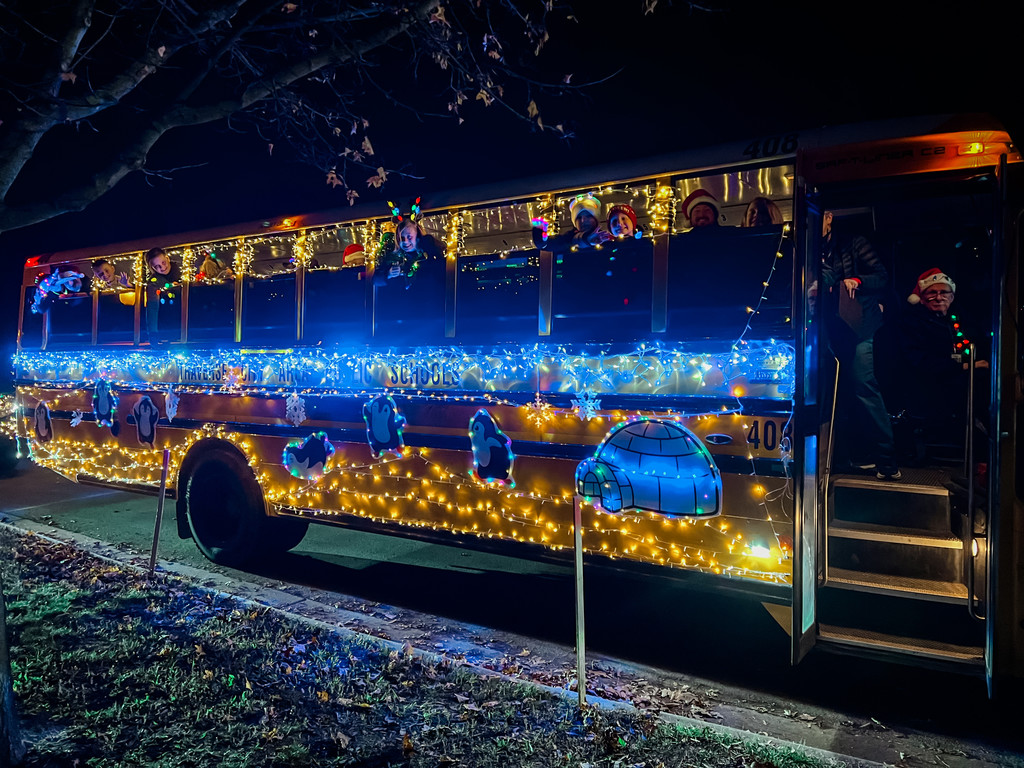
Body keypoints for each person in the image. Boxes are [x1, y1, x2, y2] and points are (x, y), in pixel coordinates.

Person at [821, 210, 899, 480]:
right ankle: (842, 459)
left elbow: (881, 276)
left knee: (864, 387)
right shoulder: (810, 248)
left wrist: (858, 280)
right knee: (831, 394)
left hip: (858, 327)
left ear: (829, 217)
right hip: (826, 330)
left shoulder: (854, 242)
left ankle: (887, 460)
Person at [900, 268, 988, 461]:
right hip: (930, 387)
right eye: (932, 292)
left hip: (962, 380)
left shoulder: (961, 318)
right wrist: (964, 367)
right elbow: (918, 362)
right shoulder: (912, 322)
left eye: (944, 292)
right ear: (922, 297)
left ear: (952, 296)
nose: (939, 297)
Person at [532, 194, 612, 253]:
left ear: (596, 218)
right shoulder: (568, 238)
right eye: (579, 218)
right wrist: (540, 237)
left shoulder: (607, 240)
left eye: (588, 216)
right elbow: (548, 245)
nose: (583, 220)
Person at [145, 247, 181, 345]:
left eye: (163, 263)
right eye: (156, 266)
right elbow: (152, 308)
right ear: (151, 268)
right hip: (167, 324)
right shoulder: (153, 283)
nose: (161, 268)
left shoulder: (183, 271)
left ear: (167, 258)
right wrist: (153, 333)